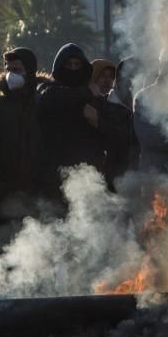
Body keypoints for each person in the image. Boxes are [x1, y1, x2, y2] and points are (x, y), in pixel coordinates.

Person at [0, 48, 41, 256]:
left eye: (18, 69)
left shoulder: (41, 105)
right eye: (9, 69)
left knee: (34, 261)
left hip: (36, 198)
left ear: (29, 72)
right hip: (4, 198)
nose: (12, 74)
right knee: (2, 260)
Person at [33, 43, 106, 217]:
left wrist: (98, 121)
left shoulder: (95, 100)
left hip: (88, 179)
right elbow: (54, 97)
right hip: (54, 179)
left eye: (77, 65)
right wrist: (87, 92)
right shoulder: (48, 92)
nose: (73, 69)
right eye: (68, 65)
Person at [90, 58, 140, 189]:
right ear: (118, 82)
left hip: (136, 179)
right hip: (110, 179)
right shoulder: (102, 106)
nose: (133, 86)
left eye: (109, 77)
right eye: (102, 76)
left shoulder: (141, 108)